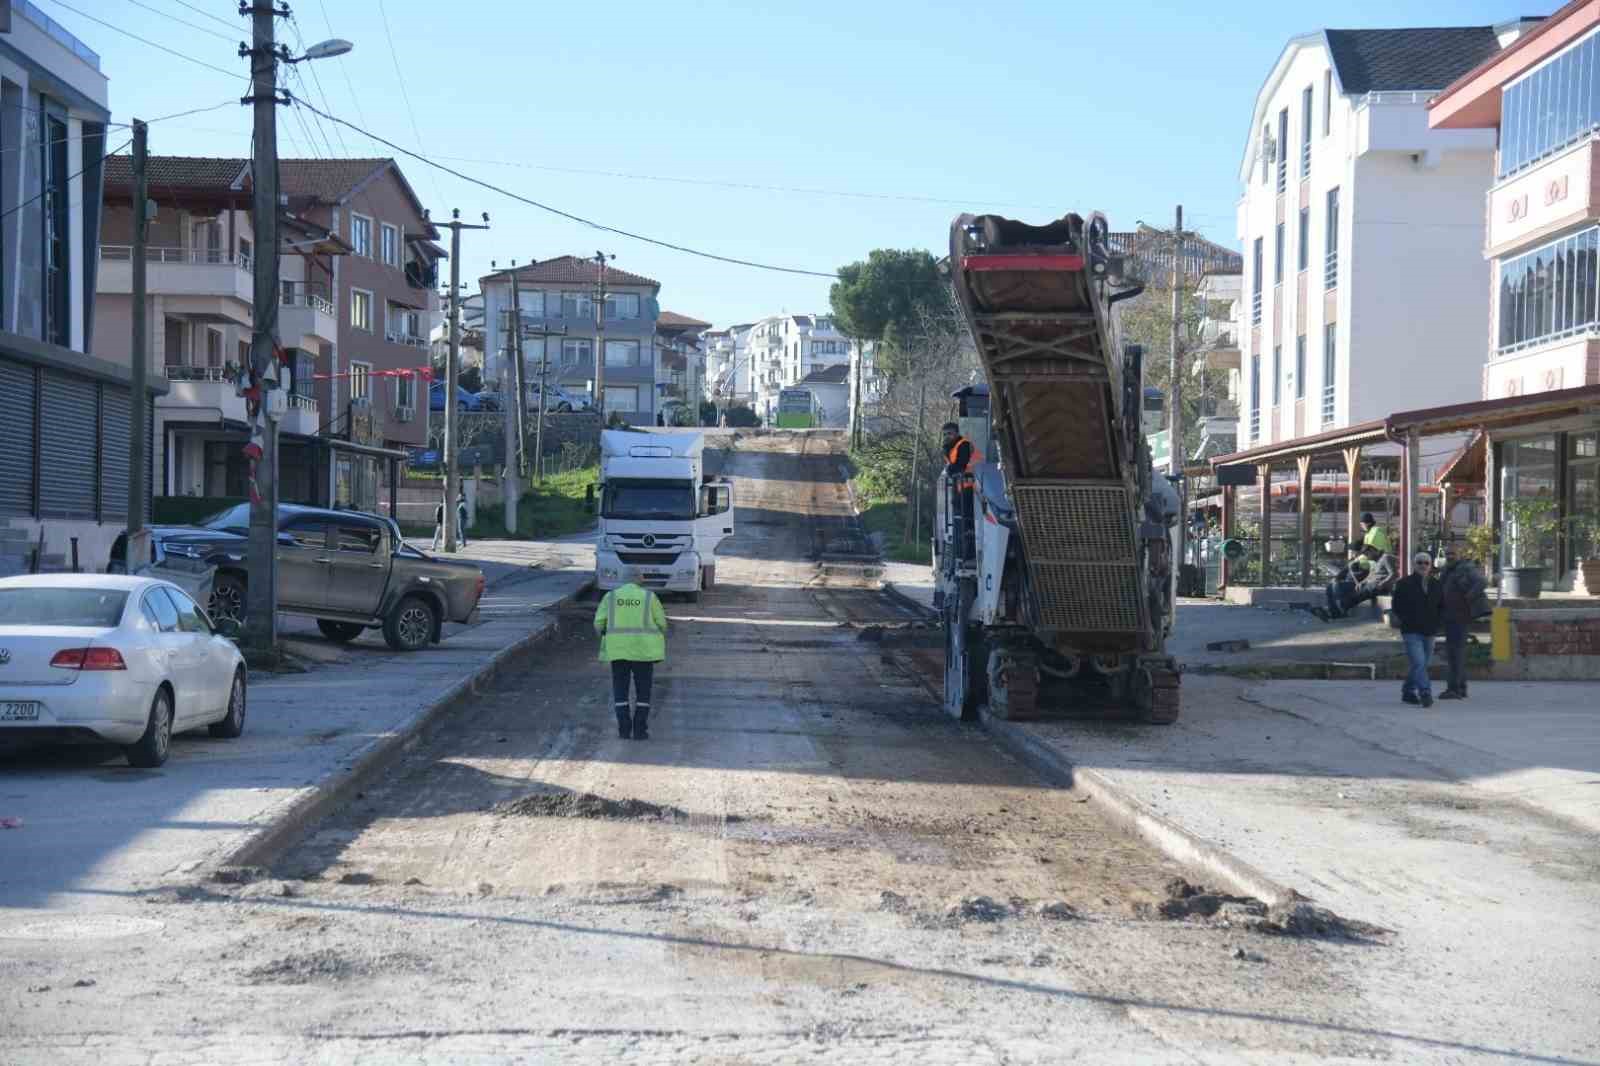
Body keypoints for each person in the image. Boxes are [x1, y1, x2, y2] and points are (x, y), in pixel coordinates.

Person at [593, 580, 668, 740]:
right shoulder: (649, 597)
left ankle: (624, 730)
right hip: (644, 651)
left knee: (620, 690)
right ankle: (640, 730)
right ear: (640, 580)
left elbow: (599, 623)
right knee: (643, 691)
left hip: (618, 651)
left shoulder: (611, 597)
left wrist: (606, 636)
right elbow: (662, 623)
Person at [1391, 550, 1444, 707]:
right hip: (1411, 630)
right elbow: (1396, 606)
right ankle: (1425, 692)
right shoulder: (1403, 583)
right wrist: (1406, 619)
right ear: (1414, 565)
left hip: (1430, 630)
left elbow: (1442, 606)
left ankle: (1408, 691)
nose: (1423, 565)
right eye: (1419, 562)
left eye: (1426, 562)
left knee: (1422, 664)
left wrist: (1438, 622)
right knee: (1419, 662)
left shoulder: (1437, 584)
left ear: (1430, 565)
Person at [1437, 545, 1487, 700]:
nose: (1450, 556)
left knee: (1455, 654)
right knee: (1455, 653)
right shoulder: (1447, 569)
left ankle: (1454, 689)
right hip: (1449, 616)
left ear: (1459, 554)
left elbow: (1482, 582)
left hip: (1460, 617)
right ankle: (1461, 687)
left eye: (1452, 553)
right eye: (1447, 554)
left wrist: (1467, 598)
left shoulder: (1466, 568)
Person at [942, 421, 978, 558]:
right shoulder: (952, 446)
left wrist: (949, 469)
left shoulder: (963, 445)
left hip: (970, 488)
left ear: (957, 433)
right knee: (962, 520)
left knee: (966, 521)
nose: (946, 436)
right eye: (944, 434)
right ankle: (964, 550)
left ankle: (968, 552)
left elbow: (959, 466)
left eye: (949, 434)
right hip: (962, 487)